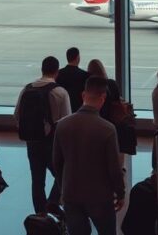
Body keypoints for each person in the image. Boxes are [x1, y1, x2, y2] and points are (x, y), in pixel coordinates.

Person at [53, 76, 125, 235]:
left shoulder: (63, 125)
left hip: (71, 192)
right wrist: (120, 193)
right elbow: (114, 167)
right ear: (103, 98)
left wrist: (62, 187)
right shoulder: (107, 129)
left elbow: (57, 162)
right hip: (99, 196)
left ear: (83, 95)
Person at [14, 56, 71, 215]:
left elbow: (17, 115)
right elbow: (66, 121)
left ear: (42, 69)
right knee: (63, 174)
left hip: (32, 141)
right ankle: (53, 201)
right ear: (57, 72)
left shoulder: (27, 88)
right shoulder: (60, 92)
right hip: (52, 143)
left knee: (37, 180)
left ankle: (40, 215)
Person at [87, 58, 135, 157]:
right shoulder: (111, 83)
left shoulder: (88, 85)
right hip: (113, 120)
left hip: (96, 119)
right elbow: (117, 100)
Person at [55, 47, 89, 113]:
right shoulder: (85, 75)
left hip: (62, 109)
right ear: (78, 58)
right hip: (79, 110)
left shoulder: (58, 74)